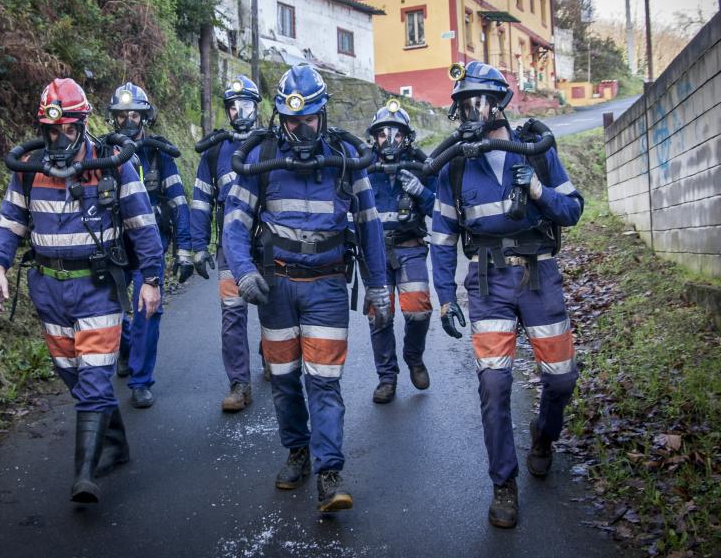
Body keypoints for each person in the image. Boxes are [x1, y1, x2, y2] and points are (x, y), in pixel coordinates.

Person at [223, 63, 391, 513]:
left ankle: (329, 473)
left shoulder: (346, 158)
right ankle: (297, 451)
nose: (300, 129)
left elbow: (370, 226)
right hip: (275, 286)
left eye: (309, 119)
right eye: (292, 120)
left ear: (323, 115)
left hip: (328, 286)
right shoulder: (262, 157)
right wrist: (243, 272)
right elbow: (234, 224)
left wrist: (378, 286)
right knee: (283, 378)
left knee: (324, 381)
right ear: (280, 117)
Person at [0, 78, 164, 503]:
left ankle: (84, 476)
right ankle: (116, 444)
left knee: (96, 375)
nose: (61, 138)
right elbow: (10, 221)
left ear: (83, 125)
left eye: (69, 129)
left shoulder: (112, 165)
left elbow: (143, 225)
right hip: (49, 289)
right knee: (73, 374)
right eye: (53, 131)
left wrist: (152, 280)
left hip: (97, 287)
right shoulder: (29, 168)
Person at [430, 61, 584, 528]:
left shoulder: (536, 149)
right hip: (488, 282)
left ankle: (543, 435)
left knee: (561, 378)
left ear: (498, 104)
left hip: (539, 276)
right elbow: (442, 237)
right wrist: (444, 297)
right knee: (494, 385)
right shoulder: (455, 165)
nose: (469, 112)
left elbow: (572, 210)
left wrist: (537, 190)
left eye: (477, 102)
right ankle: (504, 484)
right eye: (462, 105)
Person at [109, 82, 192, 408]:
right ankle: (126, 349)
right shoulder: (104, 152)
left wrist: (185, 249)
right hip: (115, 245)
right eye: (122, 116)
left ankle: (141, 380)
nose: (128, 121)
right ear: (113, 119)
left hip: (151, 243)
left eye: (135, 115)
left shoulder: (160, 154)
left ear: (145, 117)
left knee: (147, 308)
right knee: (109, 307)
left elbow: (179, 202)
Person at [190, 75, 263, 412]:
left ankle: (274, 358)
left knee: (274, 309)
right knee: (232, 314)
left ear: (257, 107)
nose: (239, 112)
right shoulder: (215, 151)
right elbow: (201, 201)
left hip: (269, 244)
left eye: (245, 105)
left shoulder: (271, 144)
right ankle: (239, 384)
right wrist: (197, 247)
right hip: (229, 249)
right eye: (233, 107)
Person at [364, 100, 437, 404]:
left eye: (397, 133)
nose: (390, 140)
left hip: (410, 248)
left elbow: (441, 211)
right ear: (374, 138)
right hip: (375, 254)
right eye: (383, 134)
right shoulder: (364, 169)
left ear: (407, 138)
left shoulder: (421, 167)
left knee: (418, 311)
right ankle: (387, 378)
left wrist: (421, 191)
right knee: (380, 316)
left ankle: (414, 357)